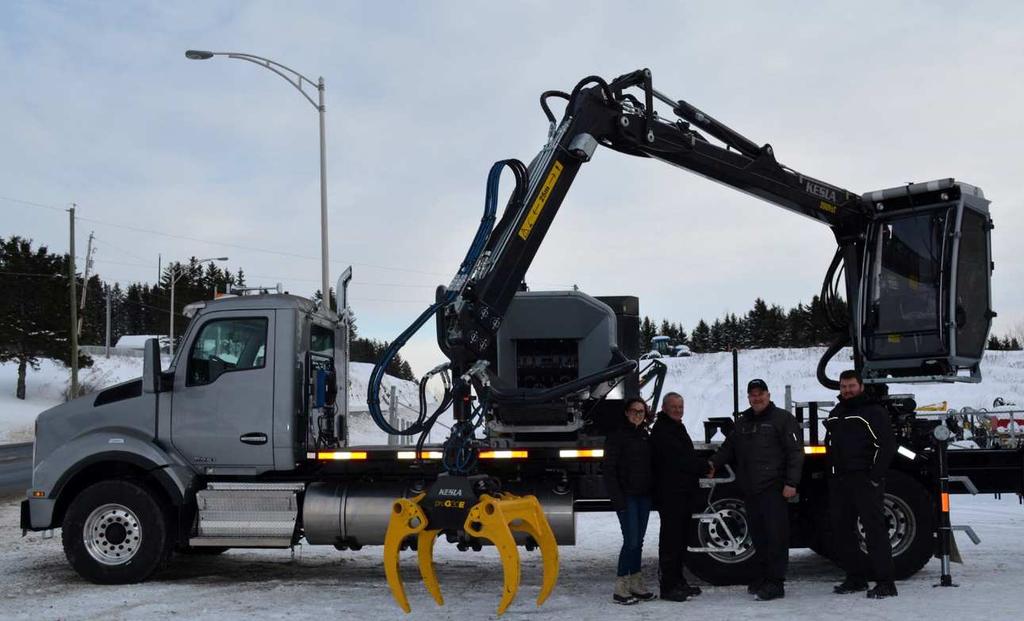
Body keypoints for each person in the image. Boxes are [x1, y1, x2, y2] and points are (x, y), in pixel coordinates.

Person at [710, 378, 803, 601]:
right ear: (749, 397)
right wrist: (712, 464)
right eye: (753, 394)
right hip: (751, 490)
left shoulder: (782, 419)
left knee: (776, 538)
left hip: (774, 489)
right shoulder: (743, 422)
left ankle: (776, 583)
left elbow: (795, 452)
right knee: (759, 537)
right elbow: (728, 448)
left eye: (760, 394)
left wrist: (792, 483)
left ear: (768, 395)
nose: (757, 398)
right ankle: (763, 577)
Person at [825, 369, 899, 599]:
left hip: (864, 479)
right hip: (841, 480)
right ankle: (855, 578)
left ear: (861, 387)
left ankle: (886, 582)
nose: (847, 390)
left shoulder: (873, 411)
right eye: (844, 387)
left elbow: (886, 446)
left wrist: (874, 476)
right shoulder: (837, 412)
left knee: (874, 531)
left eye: (851, 386)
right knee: (842, 531)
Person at [650, 392, 713, 602]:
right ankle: (668, 586)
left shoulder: (676, 426)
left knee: (680, 541)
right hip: (670, 495)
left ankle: (678, 581)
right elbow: (681, 460)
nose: (678, 410)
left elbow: (686, 456)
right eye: (674, 406)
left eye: (680, 406)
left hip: (682, 493)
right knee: (670, 541)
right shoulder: (662, 431)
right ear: (665, 408)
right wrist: (705, 467)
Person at [603, 397, 657, 605]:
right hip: (627, 497)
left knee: (639, 542)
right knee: (631, 541)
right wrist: (618, 499)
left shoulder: (645, 436)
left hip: (643, 496)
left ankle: (636, 583)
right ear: (626, 412)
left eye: (641, 412)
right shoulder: (617, 436)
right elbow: (608, 470)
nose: (637, 414)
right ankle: (621, 586)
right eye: (634, 411)